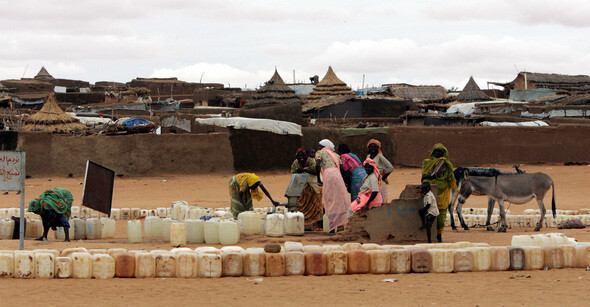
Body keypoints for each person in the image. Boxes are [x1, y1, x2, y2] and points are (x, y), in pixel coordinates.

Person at [421, 143, 457, 243]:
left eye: (439, 152)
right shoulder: (427, 162)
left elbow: (434, 174)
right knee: (428, 213)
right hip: (429, 192)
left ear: (443, 153)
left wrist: (425, 178)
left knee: (440, 215)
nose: (437, 153)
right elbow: (424, 174)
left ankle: (439, 233)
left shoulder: (444, 162)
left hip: (442, 191)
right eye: (435, 151)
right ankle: (429, 236)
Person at [315, 139, 349, 232]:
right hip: (337, 175)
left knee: (330, 199)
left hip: (328, 175)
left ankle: (332, 226)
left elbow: (317, 165)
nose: (318, 148)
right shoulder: (336, 155)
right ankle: (341, 224)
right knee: (339, 199)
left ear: (324, 146)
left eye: (320, 146)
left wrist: (318, 178)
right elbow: (342, 169)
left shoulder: (320, 153)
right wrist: (344, 181)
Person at [290, 148, 323, 227]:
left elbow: (316, 172)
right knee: (302, 204)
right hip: (303, 187)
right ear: (296, 157)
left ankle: (317, 223)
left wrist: (305, 170)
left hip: (313, 186)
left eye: (302, 155)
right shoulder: (296, 163)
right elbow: (293, 172)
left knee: (315, 204)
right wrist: (299, 171)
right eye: (298, 155)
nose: (301, 157)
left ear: (305, 155)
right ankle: (305, 224)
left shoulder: (311, 161)